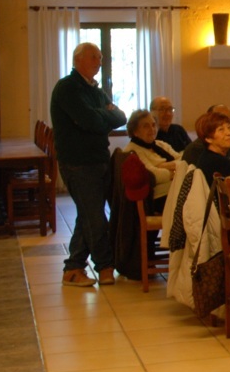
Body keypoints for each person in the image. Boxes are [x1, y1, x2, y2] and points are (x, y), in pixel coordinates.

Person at [51, 42, 127, 287]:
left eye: (101, 58)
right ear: (78, 60)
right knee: (95, 217)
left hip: (99, 159)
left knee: (88, 214)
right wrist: (103, 115)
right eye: (94, 57)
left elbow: (120, 117)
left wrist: (100, 116)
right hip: (78, 163)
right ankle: (104, 267)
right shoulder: (67, 88)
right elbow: (88, 120)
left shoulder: (95, 89)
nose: (99, 62)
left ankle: (73, 268)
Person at [123, 109, 180, 211]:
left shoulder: (160, 144)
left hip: (170, 190)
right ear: (135, 131)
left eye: (153, 125)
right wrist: (176, 171)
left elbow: (183, 160)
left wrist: (161, 166)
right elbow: (153, 176)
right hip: (154, 199)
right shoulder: (132, 151)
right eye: (146, 126)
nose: (152, 129)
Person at [193, 110, 230, 182]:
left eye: (229, 128)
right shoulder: (221, 164)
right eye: (221, 130)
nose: (229, 133)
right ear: (208, 139)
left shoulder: (205, 157)